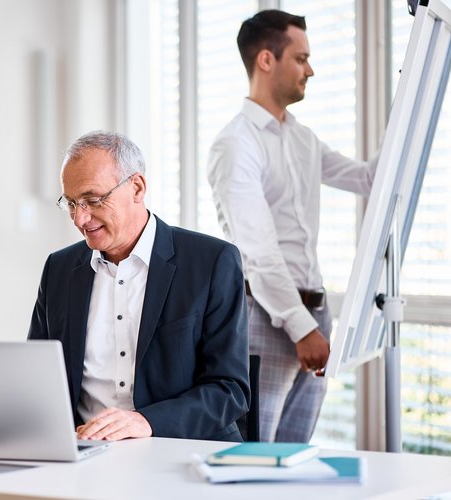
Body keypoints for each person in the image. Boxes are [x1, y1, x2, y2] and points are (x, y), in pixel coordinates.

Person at [207, 10, 376, 442]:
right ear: (266, 60)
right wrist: (302, 328)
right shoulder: (236, 144)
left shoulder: (303, 139)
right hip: (267, 316)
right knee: (259, 452)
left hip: (315, 314)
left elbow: (368, 179)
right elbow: (257, 251)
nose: (311, 70)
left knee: (294, 452)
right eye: (301, 59)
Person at [28, 131, 249, 441]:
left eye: (93, 200)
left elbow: (230, 390)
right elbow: (36, 378)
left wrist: (147, 422)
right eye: (72, 204)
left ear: (136, 187)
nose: (81, 219)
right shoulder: (59, 269)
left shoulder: (212, 262)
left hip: (181, 450)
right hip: (86, 456)